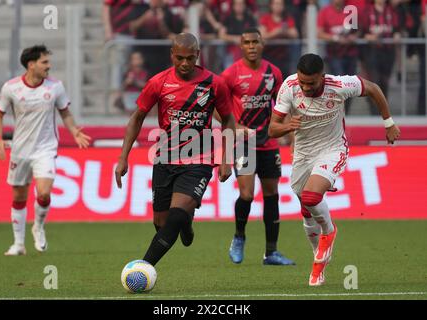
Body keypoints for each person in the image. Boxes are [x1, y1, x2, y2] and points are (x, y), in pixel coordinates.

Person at [268, 53, 401, 286]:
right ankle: (317, 260)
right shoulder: (289, 87)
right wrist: (288, 126)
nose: (306, 87)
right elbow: (272, 129)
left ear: (322, 76)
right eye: (303, 82)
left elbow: (373, 88)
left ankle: (328, 231)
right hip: (302, 154)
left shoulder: (340, 85)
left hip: (333, 149)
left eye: (311, 82)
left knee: (311, 196)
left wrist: (388, 123)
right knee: (306, 209)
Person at [115, 33, 236, 266]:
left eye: (190, 58)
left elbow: (228, 120)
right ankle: (186, 224)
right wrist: (123, 158)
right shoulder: (158, 82)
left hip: (199, 159)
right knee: (161, 223)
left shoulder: (214, 83)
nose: (184, 63)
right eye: (179, 58)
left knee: (176, 215)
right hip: (165, 158)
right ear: (172, 55)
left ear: (198, 56)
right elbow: (136, 118)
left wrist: (226, 158)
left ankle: (143, 267)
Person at [0, 45, 91, 256]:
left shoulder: (55, 87)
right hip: (20, 150)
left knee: (44, 193)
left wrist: (74, 131)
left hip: (45, 149)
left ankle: (38, 226)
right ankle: (18, 244)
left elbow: (65, 112)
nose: (49, 66)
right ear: (31, 64)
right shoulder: (11, 88)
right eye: (44, 62)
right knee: (19, 196)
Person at [219, 28, 295, 266]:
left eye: (255, 42)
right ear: (241, 47)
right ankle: (239, 236)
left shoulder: (274, 72)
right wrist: (234, 125)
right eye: (247, 42)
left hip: (269, 142)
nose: (251, 46)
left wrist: (288, 133)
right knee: (247, 194)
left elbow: (284, 104)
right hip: (244, 143)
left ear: (263, 44)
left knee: (272, 194)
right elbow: (216, 105)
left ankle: (271, 252)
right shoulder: (230, 75)